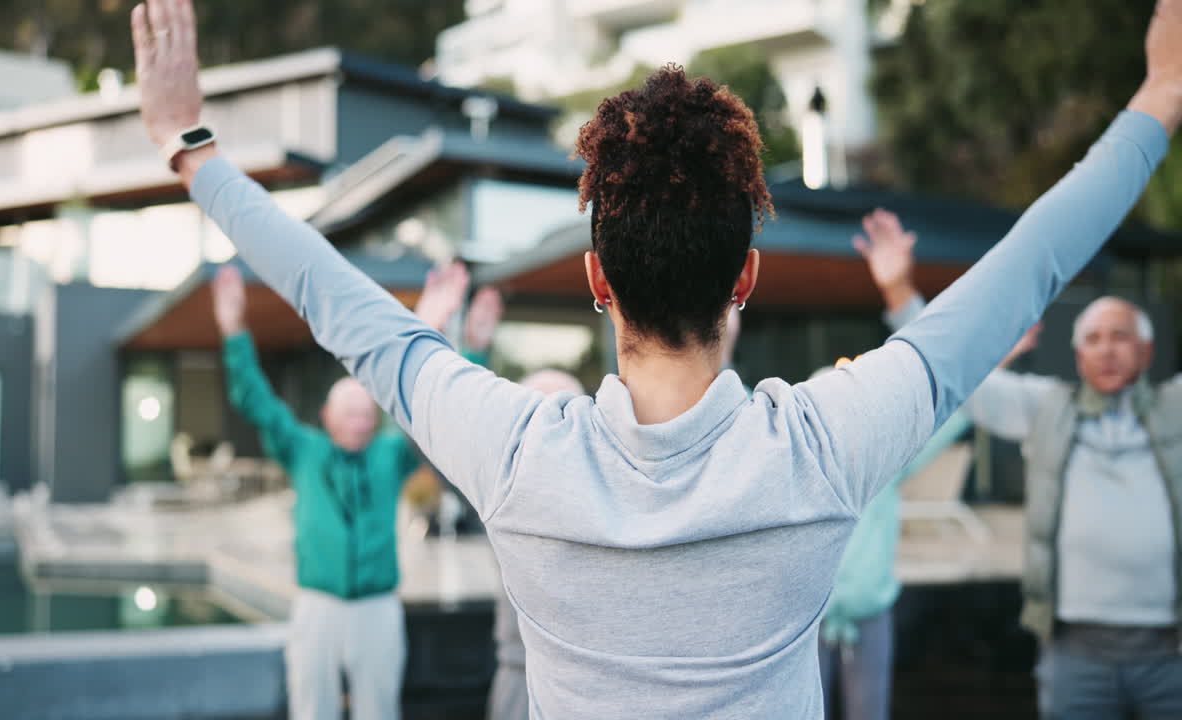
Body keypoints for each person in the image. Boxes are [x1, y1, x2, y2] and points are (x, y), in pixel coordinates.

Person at [131, 0, 1182, 715]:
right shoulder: (823, 445)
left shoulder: (513, 453)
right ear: (744, 281)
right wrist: (1155, 106)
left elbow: (340, 305)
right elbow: (1029, 262)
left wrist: (195, 150)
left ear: (597, 284)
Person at [856, 211, 1182, 719]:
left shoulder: (1175, 410)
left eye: (1119, 336)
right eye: (1092, 339)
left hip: (1169, 650)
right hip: (1075, 651)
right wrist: (899, 290)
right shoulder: (1047, 408)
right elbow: (955, 374)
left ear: (1147, 349)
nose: (1107, 349)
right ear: (1076, 356)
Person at [210, 263, 499, 720]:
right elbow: (255, 399)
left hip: (378, 608)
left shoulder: (390, 453)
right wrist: (234, 331)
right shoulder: (302, 448)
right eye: (350, 412)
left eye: (367, 413)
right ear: (327, 415)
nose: (361, 420)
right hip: (316, 604)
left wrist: (468, 343)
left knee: (380, 709)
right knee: (311, 708)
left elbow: (437, 411)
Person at [487, 368, 586, 720]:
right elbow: (431, 438)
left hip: (587, 686)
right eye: (534, 413)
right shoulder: (497, 481)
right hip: (519, 672)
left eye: (561, 410)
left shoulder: (605, 484)